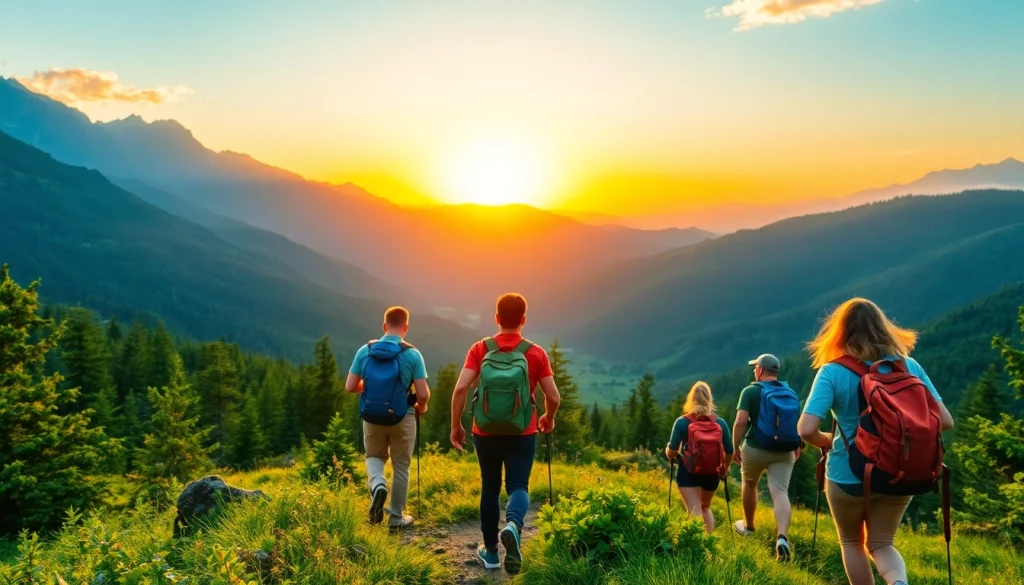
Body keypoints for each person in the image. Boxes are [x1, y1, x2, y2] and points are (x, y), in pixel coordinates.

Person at [798, 298, 954, 585]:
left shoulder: (832, 371)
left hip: (848, 474)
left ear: (839, 332)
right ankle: (898, 582)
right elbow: (945, 421)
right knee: (882, 544)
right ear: (884, 327)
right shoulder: (909, 366)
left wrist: (826, 441)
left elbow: (806, 429)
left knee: (851, 542)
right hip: (898, 470)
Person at [450, 293, 561, 575]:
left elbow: (461, 388)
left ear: (497, 318)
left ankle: (490, 553)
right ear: (524, 319)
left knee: (490, 487)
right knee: (518, 486)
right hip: (522, 430)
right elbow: (553, 396)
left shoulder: (480, 349)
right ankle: (513, 524)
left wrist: (456, 425)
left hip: (485, 430)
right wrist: (548, 417)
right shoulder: (535, 353)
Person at [345, 306, 430, 530]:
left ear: (384, 326)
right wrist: (421, 406)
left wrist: (369, 386)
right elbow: (423, 393)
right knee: (401, 466)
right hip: (403, 417)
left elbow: (350, 386)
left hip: (372, 416)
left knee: (374, 456)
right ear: (406, 328)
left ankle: (378, 484)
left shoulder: (365, 350)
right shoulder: (412, 354)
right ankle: (395, 518)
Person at [732, 353, 802, 561]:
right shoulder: (789, 392)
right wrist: (797, 445)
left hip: (756, 448)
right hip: (785, 451)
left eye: (756, 367)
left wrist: (734, 447)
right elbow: (795, 422)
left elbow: (740, 422)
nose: (754, 370)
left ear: (761, 370)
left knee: (749, 483)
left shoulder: (751, 391)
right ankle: (782, 538)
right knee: (780, 492)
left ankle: (749, 527)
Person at [665, 381, 734, 535]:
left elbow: (672, 452)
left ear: (691, 399)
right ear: (709, 400)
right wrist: (725, 467)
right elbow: (730, 451)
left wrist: (668, 450)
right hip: (712, 473)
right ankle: (708, 542)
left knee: (694, 509)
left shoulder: (682, 422)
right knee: (705, 508)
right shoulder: (720, 423)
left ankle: (696, 544)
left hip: (688, 472)